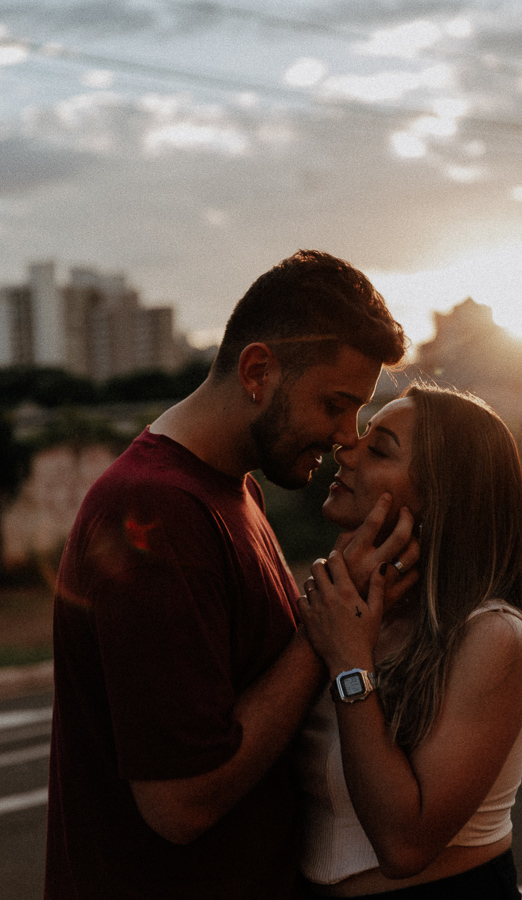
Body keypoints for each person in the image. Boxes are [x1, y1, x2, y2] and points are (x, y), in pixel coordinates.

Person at [45, 250, 418, 900]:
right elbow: (179, 803)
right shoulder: (155, 511)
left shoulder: (231, 490)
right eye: (336, 403)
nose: (346, 435)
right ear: (258, 370)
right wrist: (324, 632)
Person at [296, 383, 522, 900]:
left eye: (380, 447)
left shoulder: (495, 637)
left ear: (442, 498)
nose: (348, 450)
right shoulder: (349, 612)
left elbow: (404, 846)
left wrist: (348, 660)